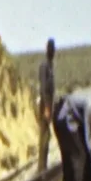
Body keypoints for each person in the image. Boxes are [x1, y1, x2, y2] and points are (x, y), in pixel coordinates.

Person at [38, 38, 56, 173]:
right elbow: (44, 88)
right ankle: (41, 167)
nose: (52, 52)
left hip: (48, 104)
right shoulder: (45, 66)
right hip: (44, 105)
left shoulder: (50, 66)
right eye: (51, 49)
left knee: (46, 135)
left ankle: (43, 165)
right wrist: (47, 108)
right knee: (44, 135)